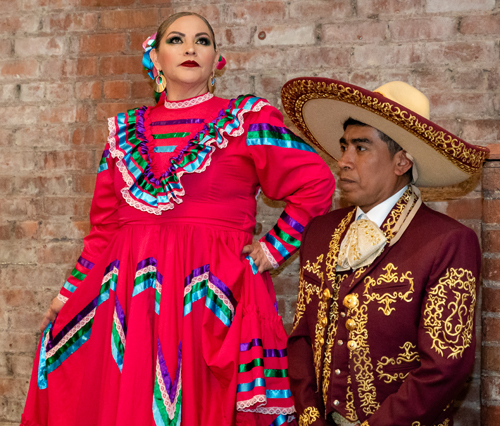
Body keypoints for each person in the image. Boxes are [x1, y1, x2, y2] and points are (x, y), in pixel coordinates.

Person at [21, 13, 335, 426]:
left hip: (210, 294)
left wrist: (272, 249)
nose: (190, 49)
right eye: (177, 40)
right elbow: (104, 230)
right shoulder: (123, 132)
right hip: (131, 301)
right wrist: (68, 294)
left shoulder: (247, 120)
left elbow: (316, 182)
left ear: (216, 59)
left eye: (202, 41)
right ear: (156, 58)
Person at [281, 77, 489, 426]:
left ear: (401, 163)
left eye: (361, 148)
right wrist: (311, 417)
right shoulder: (319, 232)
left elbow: (444, 367)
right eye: (344, 146)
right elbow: (302, 336)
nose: (343, 160)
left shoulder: (448, 241)